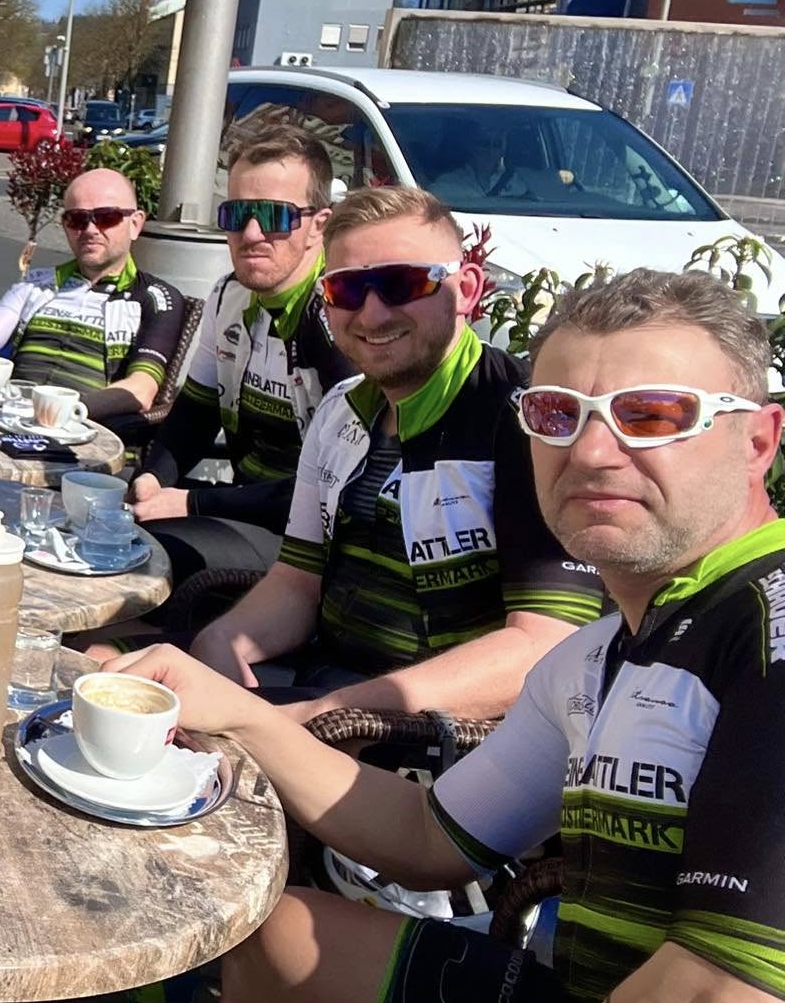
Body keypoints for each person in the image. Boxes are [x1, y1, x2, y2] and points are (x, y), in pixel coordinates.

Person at [0, 268, 785, 1003]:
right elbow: (427, 837)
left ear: (759, 439)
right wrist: (240, 716)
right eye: (558, 413)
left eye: (654, 415)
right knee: (280, 940)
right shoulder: (606, 650)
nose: (594, 450)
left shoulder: (766, 629)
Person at [188, 185, 603, 721]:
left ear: (467, 289)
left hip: (436, 735)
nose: (372, 314)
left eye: (402, 283)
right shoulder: (341, 408)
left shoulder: (528, 422)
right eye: (345, 289)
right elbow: (298, 583)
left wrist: (329, 713)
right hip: (319, 693)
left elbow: (541, 646)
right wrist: (221, 643)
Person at [128, 128, 355, 580]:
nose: (251, 233)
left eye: (274, 216)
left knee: (151, 556)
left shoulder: (341, 317)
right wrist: (151, 480)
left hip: (317, 542)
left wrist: (192, 502)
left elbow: (333, 489)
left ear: (319, 225)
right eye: (236, 214)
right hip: (245, 510)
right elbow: (195, 414)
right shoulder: (229, 294)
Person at [0, 166, 189, 442]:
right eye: (77, 219)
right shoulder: (35, 285)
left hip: (85, 437)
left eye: (106, 217)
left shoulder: (156, 297)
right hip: (6, 423)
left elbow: (141, 389)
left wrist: (63, 411)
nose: (90, 229)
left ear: (135, 224)